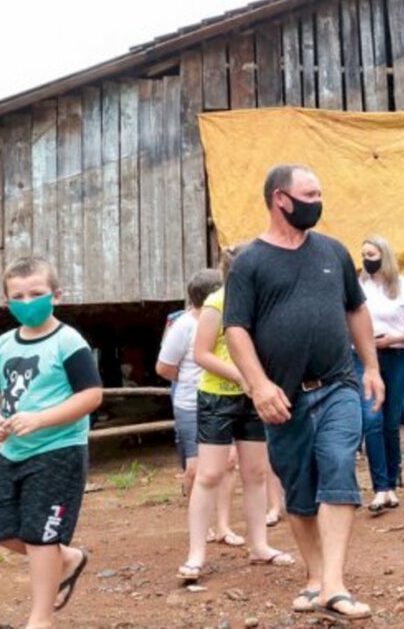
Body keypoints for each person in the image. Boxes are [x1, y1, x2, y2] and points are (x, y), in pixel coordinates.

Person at [224, 164, 386, 621]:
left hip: (337, 385)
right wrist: (258, 385)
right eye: (310, 193)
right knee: (298, 488)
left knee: (338, 464)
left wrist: (371, 366)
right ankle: (316, 578)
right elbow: (236, 329)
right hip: (283, 398)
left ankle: (334, 583)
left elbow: (357, 310)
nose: (319, 200)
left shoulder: (333, 251)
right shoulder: (250, 262)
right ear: (281, 198)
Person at [0, 256, 103, 628]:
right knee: (0, 530)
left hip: (59, 450)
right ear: (6, 302)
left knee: (41, 535)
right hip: (13, 451)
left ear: (56, 296)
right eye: (18, 295)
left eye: (36, 293)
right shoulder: (1, 346)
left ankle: (41, 618)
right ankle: (68, 558)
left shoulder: (68, 341)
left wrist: (41, 419)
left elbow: (91, 395)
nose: (27, 301)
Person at [177, 246, 293, 582]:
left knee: (255, 474)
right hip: (218, 398)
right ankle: (196, 553)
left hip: (254, 398)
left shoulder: (265, 302)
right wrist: (241, 376)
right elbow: (201, 354)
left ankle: (259, 545)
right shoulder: (217, 302)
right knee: (210, 474)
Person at [156, 268, 244, 545]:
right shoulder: (183, 325)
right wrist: (191, 379)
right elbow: (164, 367)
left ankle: (223, 526)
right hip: (191, 403)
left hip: (224, 397)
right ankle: (201, 523)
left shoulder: (230, 319)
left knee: (229, 463)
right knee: (196, 468)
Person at [359, 235, 404, 494]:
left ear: (384, 257)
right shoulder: (358, 286)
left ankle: (392, 475)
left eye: (372, 255)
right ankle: (380, 485)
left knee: (391, 420)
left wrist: (397, 337)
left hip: (398, 354)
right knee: (371, 418)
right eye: (364, 255)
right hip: (365, 356)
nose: (367, 260)